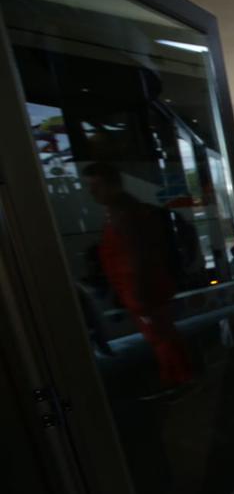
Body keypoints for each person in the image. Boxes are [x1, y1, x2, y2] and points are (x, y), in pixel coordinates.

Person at [82, 162, 194, 396]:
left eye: (96, 185)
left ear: (113, 184)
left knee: (161, 338)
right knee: (163, 335)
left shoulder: (124, 212)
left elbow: (135, 256)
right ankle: (180, 378)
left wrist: (136, 294)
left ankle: (178, 380)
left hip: (144, 290)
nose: (92, 192)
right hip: (144, 289)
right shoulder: (122, 209)